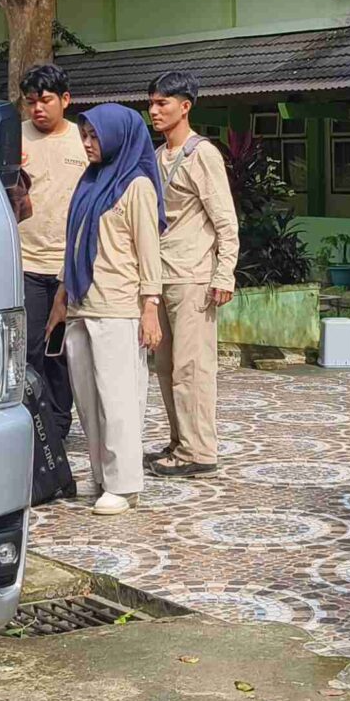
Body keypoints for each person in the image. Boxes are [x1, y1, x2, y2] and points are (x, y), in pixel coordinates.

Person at [47, 105, 165, 516]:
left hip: (118, 307)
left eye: (95, 137)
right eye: (84, 136)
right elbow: (73, 243)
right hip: (82, 305)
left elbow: (150, 252)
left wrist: (150, 306)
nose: (87, 143)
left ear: (117, 137)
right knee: (89, 401)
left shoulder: (136, 187)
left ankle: (125, 484)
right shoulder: (90, 182)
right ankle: (102, 476)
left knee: (118, 401)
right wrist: (62, 298)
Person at [145, 72, 239, 478]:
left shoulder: (203, 154)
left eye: (163, 103)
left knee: (192, 367)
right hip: (160, 274)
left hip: (194, 276)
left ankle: (200, 450)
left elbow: (225, 220)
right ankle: (180, 440)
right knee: (165, 366)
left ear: (185, 106)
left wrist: (224, 274)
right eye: (151, 103)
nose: (154, 110)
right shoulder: (156, 155)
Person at [17, 65, 90, 502]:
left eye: (46, 99)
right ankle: (29, 422)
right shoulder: (13, 137)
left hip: (69, 264)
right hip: (25, 260)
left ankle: (59, 426)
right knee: (26, 349)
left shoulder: (82, 140)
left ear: (66, 99)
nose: (38, 107)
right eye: (31, 100)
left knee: (60, 350)